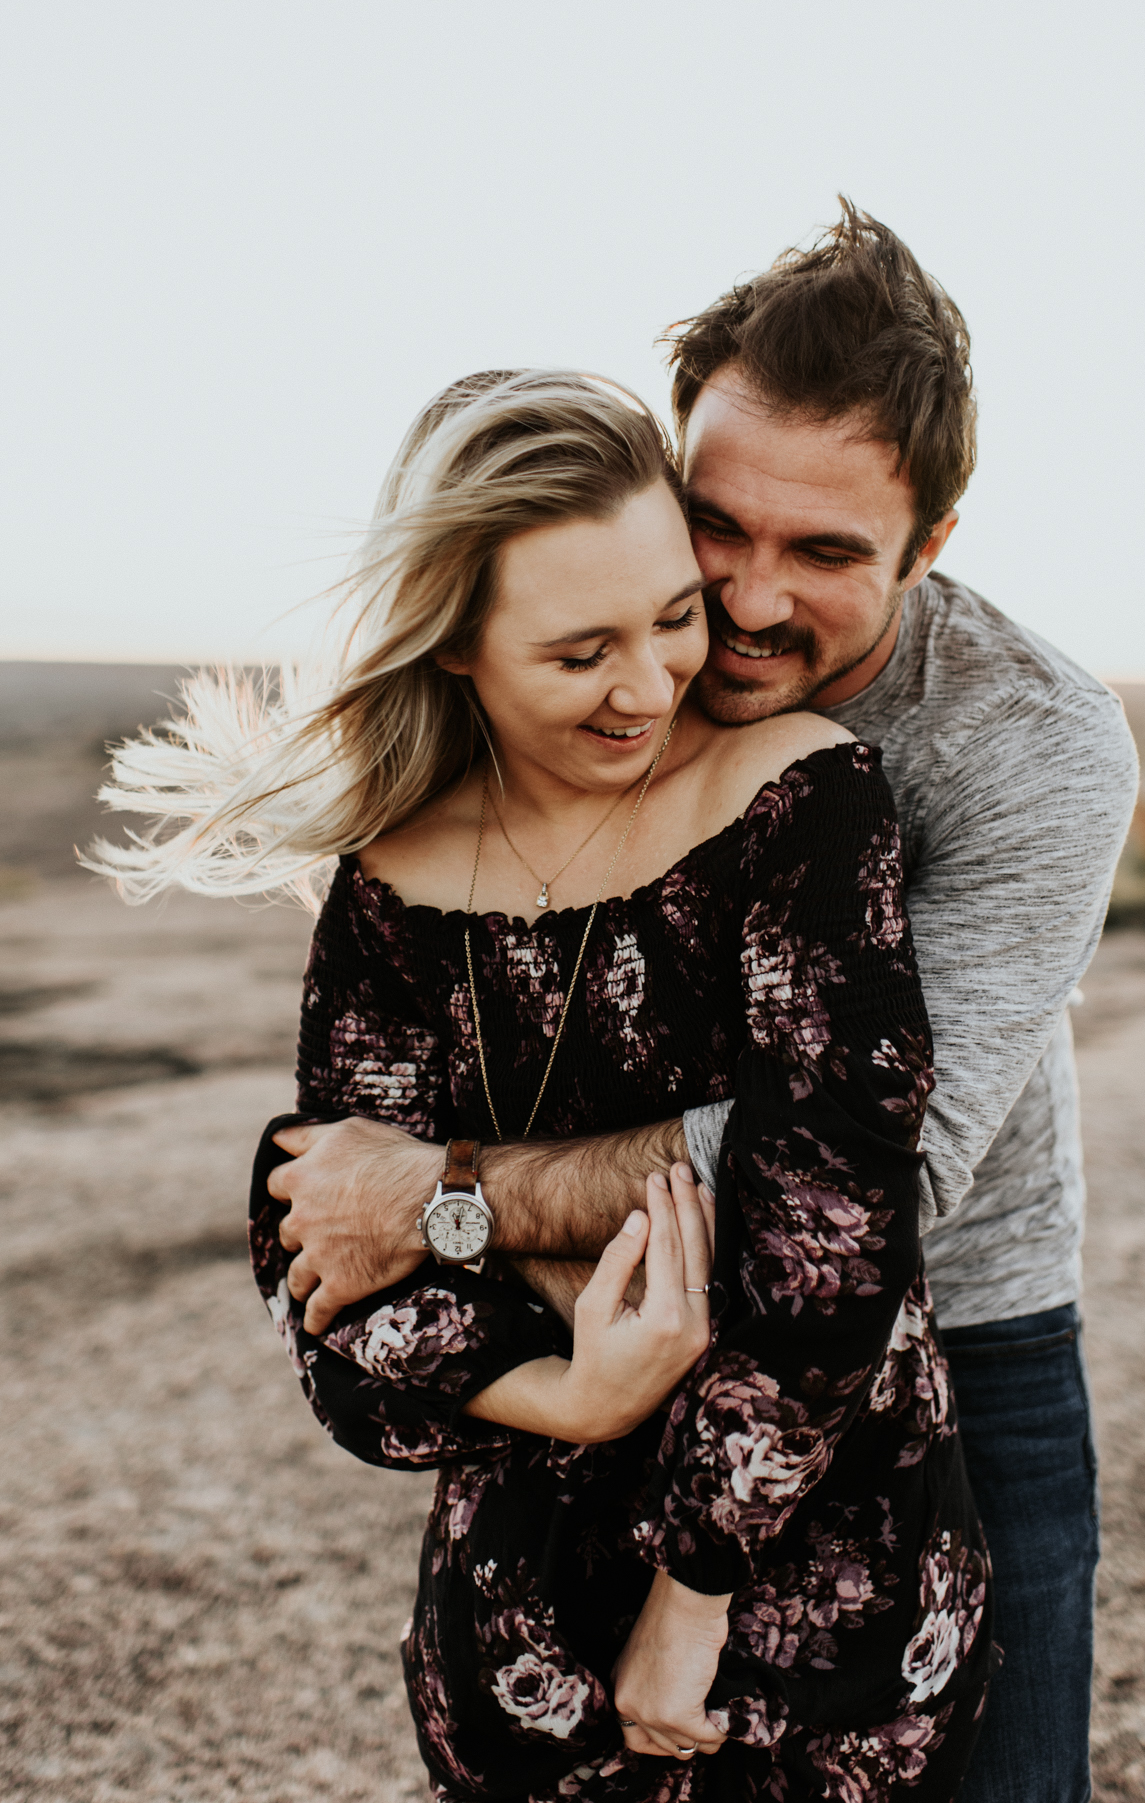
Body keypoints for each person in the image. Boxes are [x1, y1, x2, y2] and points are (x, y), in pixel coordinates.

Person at [274, 208, 1140, 1803]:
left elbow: (869, 1176)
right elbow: (328, 1197)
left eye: (824, 553)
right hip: (596, 1354)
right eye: (716, 526)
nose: (736, 607)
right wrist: (540, 1366)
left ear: (931, 543)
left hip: (963, 1326)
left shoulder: (1029, 745)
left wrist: (442, 1200)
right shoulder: (585, 676)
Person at [89, 369, 995, 1801]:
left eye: (671, 618)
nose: (651, 685)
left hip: (817, 1583)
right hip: (519, 1619)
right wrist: (568, 1394)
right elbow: (327, 1255)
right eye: (581, 654)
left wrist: (692, 1593)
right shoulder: (389, 880)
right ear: (458, 648)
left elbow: (836, 1221)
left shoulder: (803, 802)